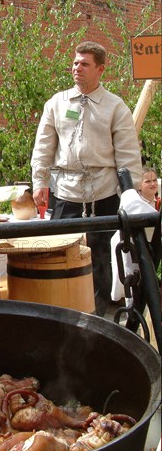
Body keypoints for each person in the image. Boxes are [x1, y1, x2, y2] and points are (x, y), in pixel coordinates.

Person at [31, 40, 142, 316]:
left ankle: (99, 320)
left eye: (84, 64)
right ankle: (60, 314)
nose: (77, 68)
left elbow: (128, 157)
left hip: (103, 195)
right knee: (58, 256)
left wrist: (130, 194)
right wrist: (39, 181)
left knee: (102, 260)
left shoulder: (115, 107)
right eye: (75, 63)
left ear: (100, 69)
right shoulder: (57, 103)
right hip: (65, 194)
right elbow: (43, 147)